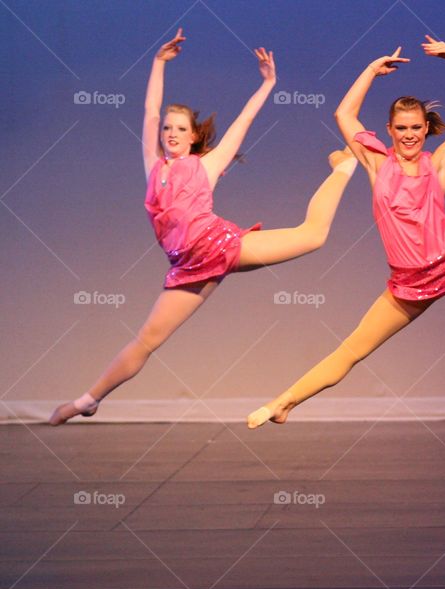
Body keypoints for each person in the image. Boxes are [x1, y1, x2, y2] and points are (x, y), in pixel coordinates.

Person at [49, 28, 356, 425]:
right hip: (187, 268)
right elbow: (150, 112)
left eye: (180, 129)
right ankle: (87, 400)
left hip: (224, 246)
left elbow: (244, 121)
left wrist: (268, 84)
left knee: (313, 235)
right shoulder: (152, 167)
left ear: (194, 138)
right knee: (147, 340)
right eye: (168, 130)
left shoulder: (206, 165)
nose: (171, 133)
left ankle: (344, 167)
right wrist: (158, 63)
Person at [247, 37, 445, 428]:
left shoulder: (439, 164)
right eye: (401, 128)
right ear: (389, 129)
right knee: (353, 349)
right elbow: (343, 114)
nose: (409, 135)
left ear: (425, 129)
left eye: (416, 128)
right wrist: (371, 70)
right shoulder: (375, 163)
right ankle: (285, 402)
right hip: (410, 283)